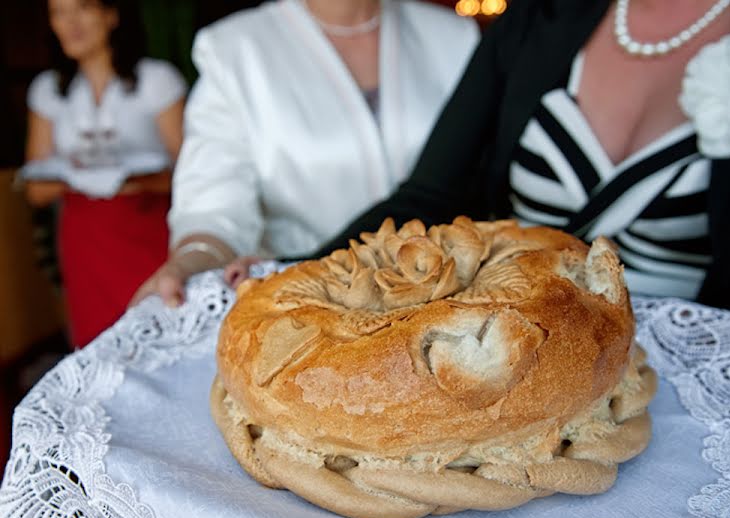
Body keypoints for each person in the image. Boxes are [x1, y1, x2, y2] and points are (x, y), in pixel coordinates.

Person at [296, 0, 730, 354]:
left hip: (688, 387)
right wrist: (295, 282)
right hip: (490, 351)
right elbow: (429, 196)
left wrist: (606, 378)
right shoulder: (543, 12)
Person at [131, 0, 480, 307]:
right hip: (310, 313)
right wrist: (193, 260)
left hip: (453, 301)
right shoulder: (236, 51)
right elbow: (214, 200)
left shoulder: (455, 37)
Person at [25, 0, 186, 348]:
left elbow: (191, 171)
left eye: (82, 8)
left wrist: (133, 181)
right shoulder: (50, 90)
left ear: (111, 14)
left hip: (150, 230)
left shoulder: (156, 81)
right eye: (58, 12)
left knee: (164, 331)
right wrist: (81, 176)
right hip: (85, 239)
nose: (71, 23)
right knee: (98, 343)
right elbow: (36, 189)